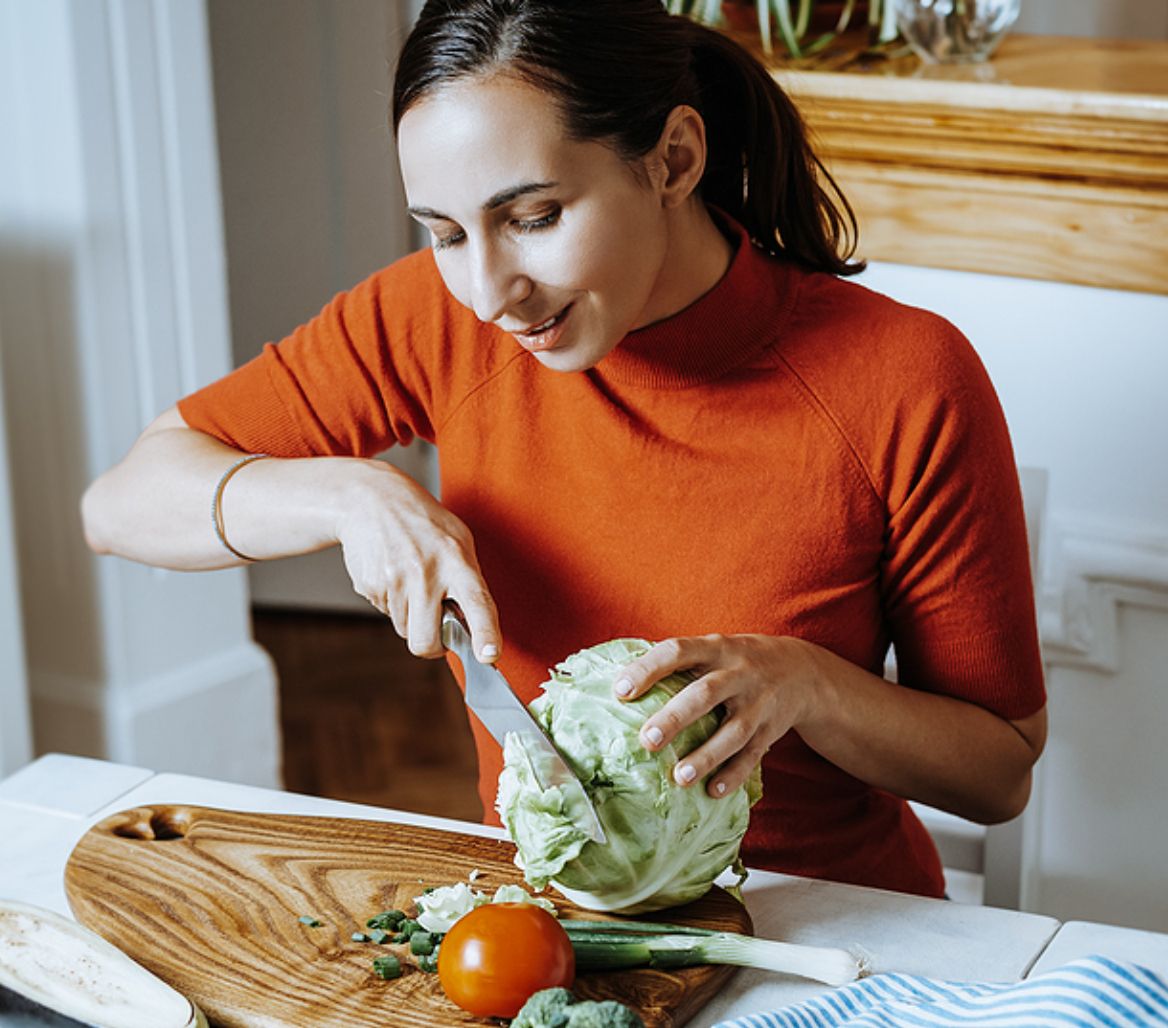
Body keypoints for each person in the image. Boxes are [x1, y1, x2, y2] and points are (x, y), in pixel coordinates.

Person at [82, 0, 1046, 899]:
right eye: (446, 233)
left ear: (672, 158)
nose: (491, 293)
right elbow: (120, 505)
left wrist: (809, 685)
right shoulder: (435, 318)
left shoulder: (906, 376)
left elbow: (999, 770)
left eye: (534, 218)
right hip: (561, 927)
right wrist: (347, 496)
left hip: (836, 926)